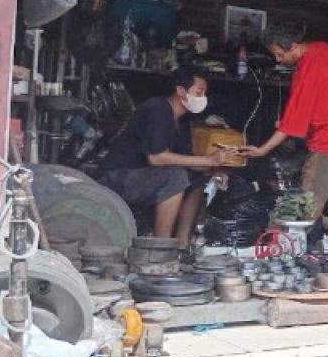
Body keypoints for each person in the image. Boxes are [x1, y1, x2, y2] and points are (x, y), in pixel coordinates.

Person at [242, 25, 328, 234]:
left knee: (307, 196)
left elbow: (291, 124)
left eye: (280, 55)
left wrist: (262, 150)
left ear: (293, 46)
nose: (279, 60)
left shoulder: (306, 71)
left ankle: (284, 243)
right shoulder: (324, 49)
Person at [97, 67, 229, 248]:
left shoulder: (181, 121)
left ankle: (182, 245)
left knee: (197, 179)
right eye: (199, 92)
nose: (203, 97)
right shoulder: (157, 109)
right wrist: (208, 160)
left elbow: (187, 160)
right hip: (116, 177)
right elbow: (157, 158)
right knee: (175, 176)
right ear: (181, 91)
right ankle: (160, 247)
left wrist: (216, 169)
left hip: (142, 177)